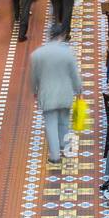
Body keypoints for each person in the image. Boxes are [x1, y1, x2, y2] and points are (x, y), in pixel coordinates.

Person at [30, 26, 84, 166]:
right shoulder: (68, 53)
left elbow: (34, 77)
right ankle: (64, 147)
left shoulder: (37, 54)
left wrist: (34, 90)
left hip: (47, 94)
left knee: (51, 125)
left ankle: (54, 157)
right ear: (62, 36)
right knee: (64, 122)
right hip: (65, 94)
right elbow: (74, 74)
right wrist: (79, 90)